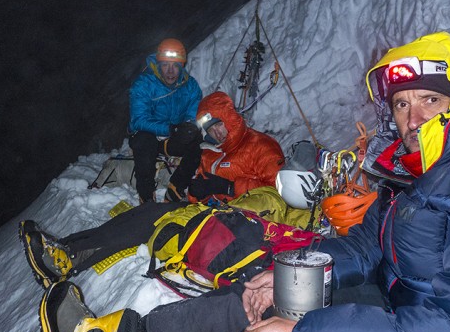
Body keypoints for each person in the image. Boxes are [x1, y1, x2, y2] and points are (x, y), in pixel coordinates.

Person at [36, 31, 450, 332]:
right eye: (400, 103)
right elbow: (367, 244)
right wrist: (292, 274)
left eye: (428, 100)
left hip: (433, 329)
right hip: (402, 311)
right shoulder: (414, 171)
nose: (412, 117)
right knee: (267, 293)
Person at [20, 91, 285, 289]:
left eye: (218, 123)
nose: (216, 132)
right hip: (207, 211)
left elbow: (280, 194)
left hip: (233, 223)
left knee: (149, 223)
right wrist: (196, 191)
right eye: (210, 128)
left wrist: (229, 186)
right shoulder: (212, 153)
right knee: (145, 212)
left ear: (230, 118)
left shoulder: (261, 146)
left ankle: (69, 262)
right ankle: (67, 245)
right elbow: (199, 193)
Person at [128, 38, 203, 203]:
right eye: (165, 65)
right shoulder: (143, 85)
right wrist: (170, 129)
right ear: (158, 64)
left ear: (182, 66)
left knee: (198, 139)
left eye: (175, 65)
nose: (170, 71)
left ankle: (176, 187)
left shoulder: (190, 87)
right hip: (150, 138)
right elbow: (138, 121)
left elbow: (192, 115)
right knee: (143, 139)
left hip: (171, 141)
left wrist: (188, 128)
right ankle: (146, 195)